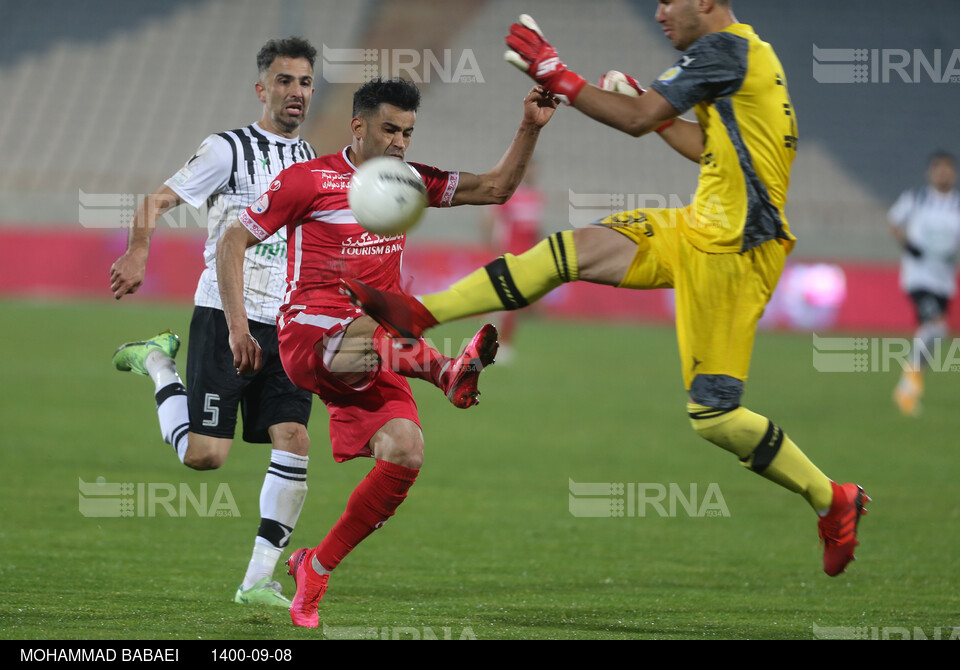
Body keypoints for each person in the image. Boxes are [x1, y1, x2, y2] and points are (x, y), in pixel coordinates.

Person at [342, 2, 870, 579]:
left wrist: (557, 74)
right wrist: (661, 116)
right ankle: (417, 314)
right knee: (567, 252)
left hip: (736, 251)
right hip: (699, 226)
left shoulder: (725, 51)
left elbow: (639, 117)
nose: (661, 11)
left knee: (715, 416)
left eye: (672, 1)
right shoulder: (748, 58)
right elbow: (708, 148)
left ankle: (832, 498)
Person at [216, 77, 556, 627]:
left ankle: (315, 567)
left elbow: (494, 189)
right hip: (311, 332)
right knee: (387, 328)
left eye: (409, 132)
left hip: (380, 342)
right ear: (359, 126)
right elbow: (234, 240)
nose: (400, 142)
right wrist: (237, 327)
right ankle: (447, 371)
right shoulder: (309, 180)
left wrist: (528, 127)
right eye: (390, 129)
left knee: (405, 450)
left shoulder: (411, 182)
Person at [108, 37, 320, 607]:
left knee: (294, 439)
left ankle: (256, 582)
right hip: (225, 315)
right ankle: (156, 362)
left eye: (304, 82)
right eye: (284, 81)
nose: (295, 92)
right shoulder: (228, 149)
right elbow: (156, 202)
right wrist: (137, 251)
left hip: (287, 323)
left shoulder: (313, 162)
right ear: (262, 89)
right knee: (205, 456)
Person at [889, 150, 960, 416]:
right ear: (930, 172)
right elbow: (894, 221)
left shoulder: (956, 204)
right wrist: (908, 245)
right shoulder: (916, 199)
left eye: (948, 168)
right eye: (938, 168)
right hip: (918, 277)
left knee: (933, 332)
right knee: (937, 327)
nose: (943, 173)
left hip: (944, 280)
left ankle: (907, 388)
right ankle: (909, 386)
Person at [479, 164, 545, 362]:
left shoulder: (536, 196)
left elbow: (535, 230)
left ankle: (499, 343)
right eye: (529, 169)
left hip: (526, 256)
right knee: (507, 300)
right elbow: (491, 220)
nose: (532, 173)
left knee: (512, 301)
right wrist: (493, 245)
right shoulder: (509, 193)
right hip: (508, 254)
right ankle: (499, 345)